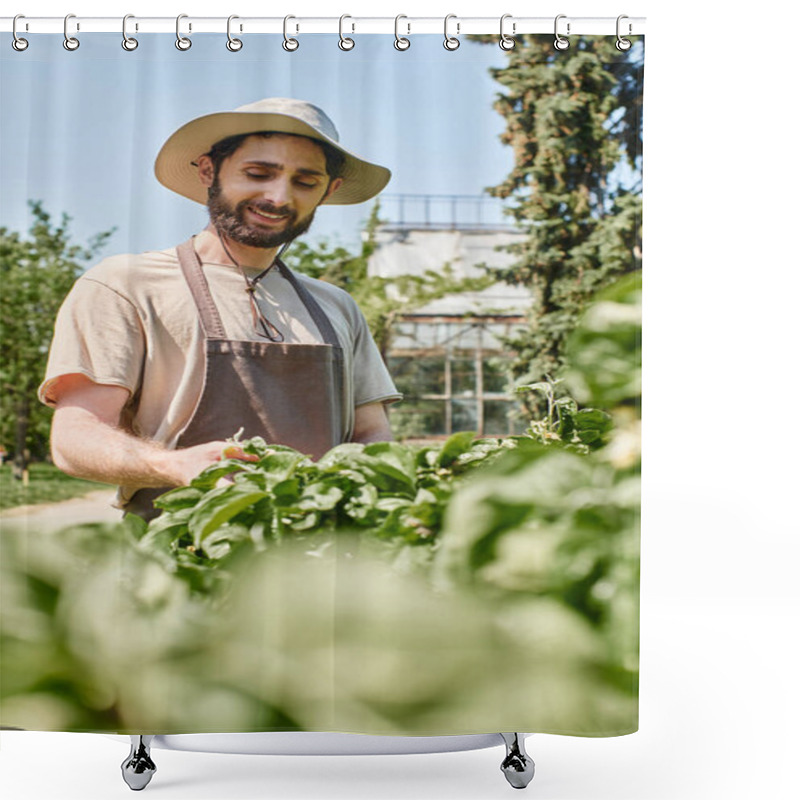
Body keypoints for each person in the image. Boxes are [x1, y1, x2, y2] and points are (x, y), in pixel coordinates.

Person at [39, 98, 401, 520]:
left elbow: (372, 433)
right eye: (258, 174)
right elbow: (75, 438)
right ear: (208, 170)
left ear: (329, 191)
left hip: (321, 560)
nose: (278, 196)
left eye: (305, 181)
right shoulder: (127, 285)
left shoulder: (337, 306)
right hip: (179, 556)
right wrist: (172, 465)